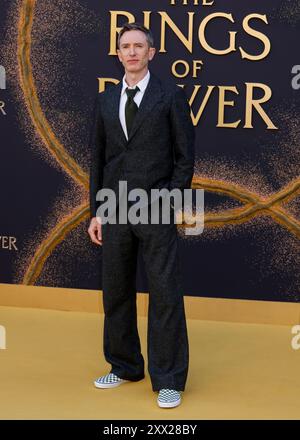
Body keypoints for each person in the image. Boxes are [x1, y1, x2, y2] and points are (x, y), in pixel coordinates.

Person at [88, 22, 195, 408]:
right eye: (125, 46)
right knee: (116, 290)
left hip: (156, 208)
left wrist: (170, 200)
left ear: (151, 52)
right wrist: (96, 212)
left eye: (138, 46)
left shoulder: (170, 96)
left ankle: (168, 379)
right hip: (114, 208)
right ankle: (124, 364)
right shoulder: (106, 99)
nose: (131, 52)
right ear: (118, 54)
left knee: (164, 295)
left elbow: (185, 158)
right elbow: (99, 161)